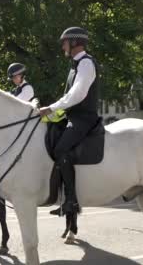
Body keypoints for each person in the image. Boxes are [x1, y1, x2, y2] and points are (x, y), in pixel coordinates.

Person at [39, 27, 100, 216]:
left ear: (74, 42)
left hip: (84, 118)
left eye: (65, 42)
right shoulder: (75, 65)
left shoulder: (86, 64)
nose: (63, 46)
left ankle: (72, 200)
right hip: (72, 116)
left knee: (61, 149)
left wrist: (51, 108)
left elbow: (77, 95)